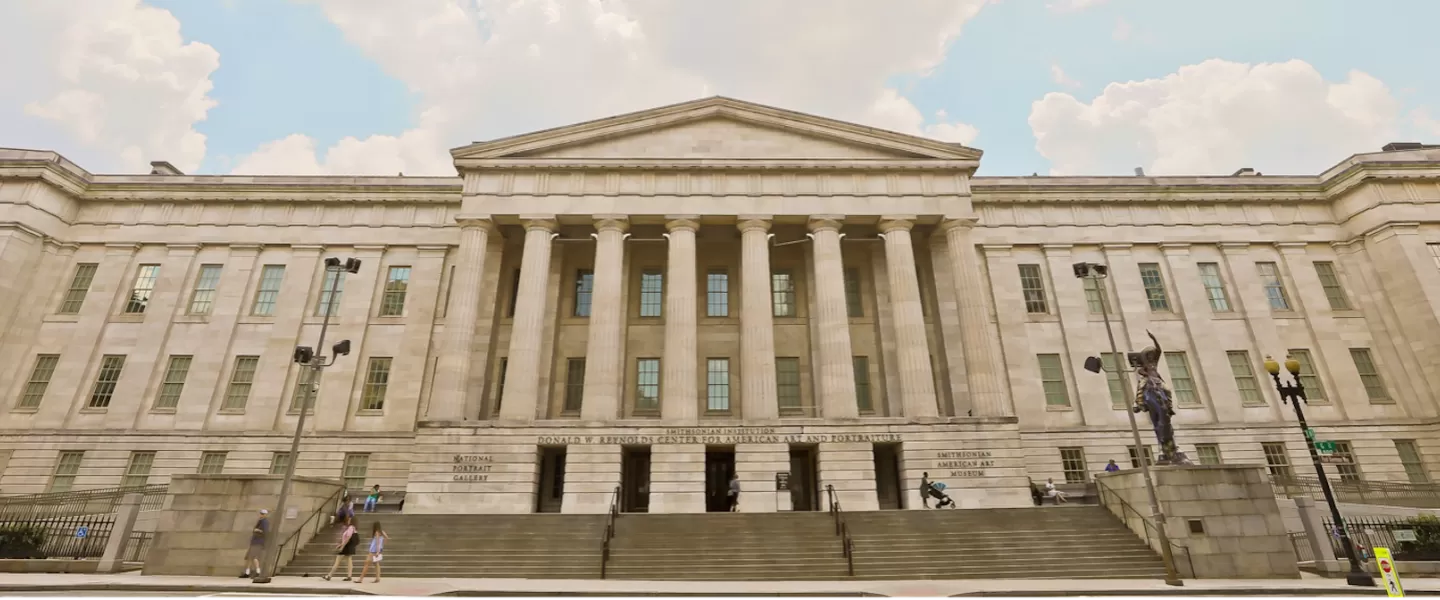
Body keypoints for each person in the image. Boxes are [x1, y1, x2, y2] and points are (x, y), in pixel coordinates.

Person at [321, 515, 360, 581]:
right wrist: (340, 544)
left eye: (349, 519)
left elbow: (348, 538)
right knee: (349, 561)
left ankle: (329, 576)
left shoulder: (350, 527)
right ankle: (349, 576)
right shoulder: (354, 528)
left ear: (352, 521)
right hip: (349, 547)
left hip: (346, 547)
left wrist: (342, 546)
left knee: (337, 561)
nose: (348, 520)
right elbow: (348, 539)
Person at [241, 509, 268, 578]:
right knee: (249, 557)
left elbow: (265, 532)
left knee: (253, 557)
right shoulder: (260, 521)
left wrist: (257, 530)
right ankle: (247, 572)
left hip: (258, 542)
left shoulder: (264, 522)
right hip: (255, 541)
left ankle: (258, 571)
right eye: (261, 513)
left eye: (262, 514)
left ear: (265, 515)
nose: (261, 515)